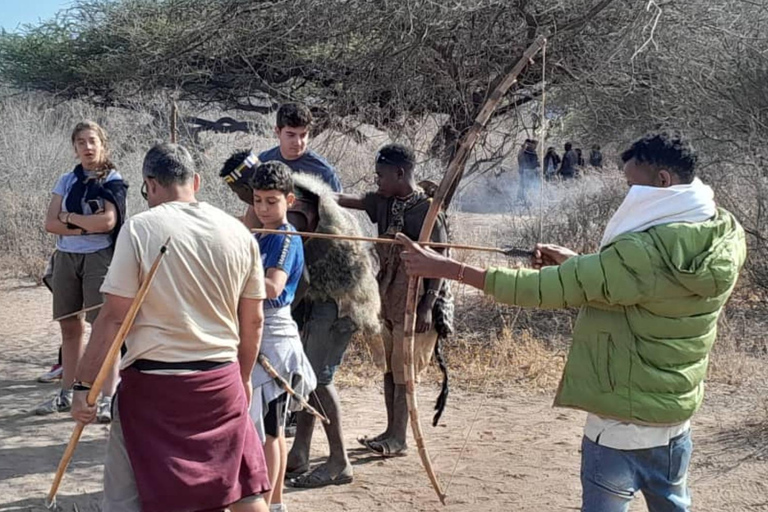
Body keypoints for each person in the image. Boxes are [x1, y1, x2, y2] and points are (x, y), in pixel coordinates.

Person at [397, 132, 747, 512]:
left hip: (619, 427)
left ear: (663, 180)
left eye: (633, 185)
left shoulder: (642, 252)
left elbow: (546, 289)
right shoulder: (722, 232)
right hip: (675, 420)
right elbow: (642, 285)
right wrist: (578, 263)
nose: (628, 195)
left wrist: (446, 268)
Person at [71, 143, 271, 512]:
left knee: (126, 499)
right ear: (195, 181)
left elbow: (113, 317)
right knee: (244, 491)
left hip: (155, 389)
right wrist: (241, 378)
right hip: (220, 383)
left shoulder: (141, 228)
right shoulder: (239, 232)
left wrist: (84, 385)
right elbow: (254, 320)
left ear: (150, 185)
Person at [220, 153, 380, 489]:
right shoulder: (270, 211)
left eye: (249, 194)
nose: (254, 205)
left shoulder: (290, 213)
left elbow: (289, 276)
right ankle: (300, 453)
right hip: (314, 296)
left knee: (317, 378)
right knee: (303, 379)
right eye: (252, 199)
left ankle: (338, 461)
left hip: (338, 298)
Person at [337, 143, 452, 457]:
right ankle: (390, 431)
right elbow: (348, 200)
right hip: (389, 297)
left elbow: (439, 261)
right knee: (390, 369)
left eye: (381, 176)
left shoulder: (428, 213)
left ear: (400, 173)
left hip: (416, 303)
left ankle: (399, 438)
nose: (377, 182)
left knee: (404, 373)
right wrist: (312, 193)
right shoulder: (384, 202)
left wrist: (427, 304)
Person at [36, 121, 128, 422]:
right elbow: (50, 223)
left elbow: (108, 223)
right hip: (66, 257)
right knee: (69, 326)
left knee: (105, 326)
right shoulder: (66, 180)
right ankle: (66, 393)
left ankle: (106, 396)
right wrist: (83, 225)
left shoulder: (112, 179)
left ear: (102, 144)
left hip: (99, 257)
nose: (87, 148)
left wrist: (69, 219)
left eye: (92, 141)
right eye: (81, 143)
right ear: (74, 147)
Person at [247, 159, 317, 512]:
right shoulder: (258, 232)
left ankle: (274, 503)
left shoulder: (286, 237)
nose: (263, 208)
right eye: (257, 200)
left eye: (271, 201)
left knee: (272, 429)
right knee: (256, 427)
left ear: (289, 201)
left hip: (274, 336)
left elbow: (273, 287)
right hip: (252, 330)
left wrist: (233, 280)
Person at [516, 139, 541, 205]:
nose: (536, 146)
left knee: (525, 186)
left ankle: (523, 200)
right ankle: (524, 201)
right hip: (528, 171)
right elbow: (528, 162)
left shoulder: (527, 151)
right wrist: (536, 164)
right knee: (527, 186)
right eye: (535, 145)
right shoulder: (529, 151)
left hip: (527, 171)